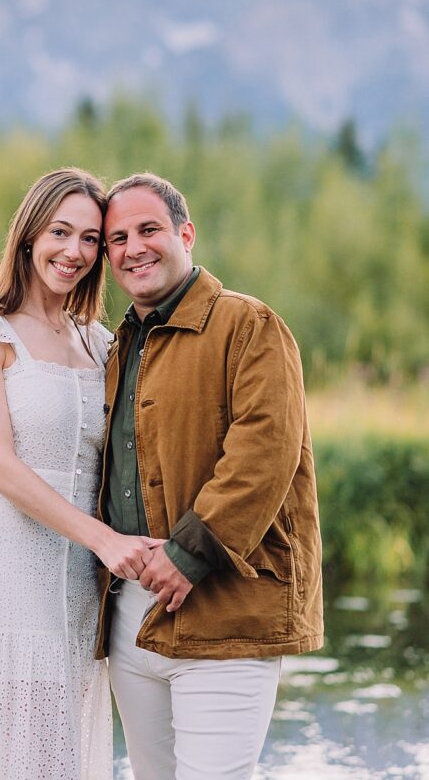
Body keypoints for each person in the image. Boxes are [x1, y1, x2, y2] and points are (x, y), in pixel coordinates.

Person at [0, 167, 162, 780]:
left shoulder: (98, 340)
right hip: (13, 566)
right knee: (28, 756)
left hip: (85, 581)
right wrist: (104, 540)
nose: (75, 252)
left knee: (64, 752)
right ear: (29, 235)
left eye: (91, 239)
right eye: (61, 232)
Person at [97, 172, 324, 780]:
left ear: (186, 234)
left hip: (227, 606)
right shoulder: (119, 345)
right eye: (117, 238)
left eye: (149, 229)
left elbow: (264, 454)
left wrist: (189, 553)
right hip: (129, 615)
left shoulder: (248, 325)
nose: (133, 247)